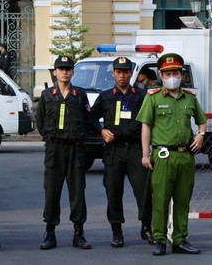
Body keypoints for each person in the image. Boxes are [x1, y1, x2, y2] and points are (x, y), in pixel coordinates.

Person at [136, 53, 207, 256]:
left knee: (183, 200)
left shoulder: (190, 98)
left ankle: (180, 239)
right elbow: (146, 127)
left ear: (181, 74)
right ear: (160, 75)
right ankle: (159, 239)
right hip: (163, 156)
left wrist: (201, 135)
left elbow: (202, 120)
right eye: (167, 73)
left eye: (175, 72)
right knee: (160, 200)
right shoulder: (153, 98)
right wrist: (145, 154)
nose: (171, 76)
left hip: (185, 156)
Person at [36, 56, 98, 250]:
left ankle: (78, 234)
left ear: (73, 72)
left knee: (78, 193)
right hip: (54, 149)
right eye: (61, 69)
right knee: (52, 192)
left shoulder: (79, 95)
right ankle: (50, 234)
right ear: (55, 72)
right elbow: (40, 122)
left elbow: (89, 120)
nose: (64, 72)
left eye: (68, 69)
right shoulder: (47, 95)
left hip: (75, 149)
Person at [90, 57, 153, 248]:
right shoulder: (106, 96)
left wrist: (146, 150)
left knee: (143, 190)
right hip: (114, 149)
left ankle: (146, 227)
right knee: (113, 191)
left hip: (135, 149)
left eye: (125, 72)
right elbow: (91, 117)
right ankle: (116, 231)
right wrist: (101, 131)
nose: (122, 75)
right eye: (118, 72)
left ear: (131, 73)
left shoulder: (141, 96)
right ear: (113, 74)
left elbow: (150, 121)